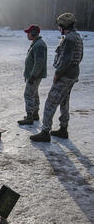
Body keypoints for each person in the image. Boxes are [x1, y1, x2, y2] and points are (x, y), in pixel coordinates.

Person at [30, 13, 83, 142]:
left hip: (65, 75)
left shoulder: (69, 39)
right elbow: (79, 57)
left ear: (64, 25)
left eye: (60, 26)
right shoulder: (77, 37)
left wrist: (58, 74)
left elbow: (66, 59)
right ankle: (63, 129)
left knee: (50, 102)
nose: (59, 29)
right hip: (73, 74)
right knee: (64, 101)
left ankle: (45, 131)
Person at [18, 24, 47, 125]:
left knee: (28, 94)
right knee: (34, 94)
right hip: (33, 74)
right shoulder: (36, 43)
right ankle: (34, 114)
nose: (27, 35)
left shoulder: (39, 45)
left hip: (34, 75)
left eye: (29, 33)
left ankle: (30, 117)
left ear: (34, 33)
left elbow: (39, 62)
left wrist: (33, 76)